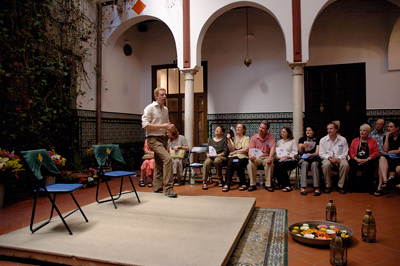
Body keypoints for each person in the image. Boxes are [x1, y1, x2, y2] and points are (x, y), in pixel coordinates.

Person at [142, 88, 177, 198]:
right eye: (162, 95)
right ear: (156, 96)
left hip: (163, 139)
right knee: (167, 159)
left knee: (159, 163)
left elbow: (166, 125)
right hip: (152, 139)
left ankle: (157, 188)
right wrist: (163, 126)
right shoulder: (150, 108)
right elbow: (145, 125)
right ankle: (168, 188)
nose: (164, 96)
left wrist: (170, 128)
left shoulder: (165, 109)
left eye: (165, 94)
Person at [319, 121, 350, 194]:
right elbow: (321, 153)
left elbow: (345, 152)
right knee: (326, 165)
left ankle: (341, 186)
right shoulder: (323, 140)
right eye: (328, 129)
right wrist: (328, 157)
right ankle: (328, 185)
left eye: (331, 129)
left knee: (345, 165)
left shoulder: (342, 139)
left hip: (340, 158)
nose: (329, 130)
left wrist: (338, 159)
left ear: (336, 129)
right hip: (328, 159)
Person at [348, 124, 379, 194]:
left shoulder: (373, 141)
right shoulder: (355, 140)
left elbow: (376, 152)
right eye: (360, 130)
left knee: (370, 166)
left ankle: (370, 188)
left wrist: (367, 160)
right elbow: (351, 152)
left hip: (368, 159)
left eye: (364, 131)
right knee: (352, 165)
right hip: (357, 159)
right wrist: (357, 159)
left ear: (368, 132)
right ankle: (351, 187)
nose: (362, 132)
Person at [247, 121, 276, 192]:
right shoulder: (254, 137)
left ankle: (268, 185)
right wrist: (251, 157)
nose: (260, 129)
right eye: (260, 127)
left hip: (266, 157)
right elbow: (250, 149)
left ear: (267, 130)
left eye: (263, 128)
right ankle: (252, 184)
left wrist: (270, 158)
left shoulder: (270, 137)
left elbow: (272, 148)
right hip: (256, 157)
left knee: (270, 163)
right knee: (250, 163)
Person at [222, 123, 250, 192]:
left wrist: (236, 152)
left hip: (243, 157)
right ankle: (227, 184)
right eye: (237, 127)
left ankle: (243, 183)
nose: (237, 129)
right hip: (233, 157)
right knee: (230, 163)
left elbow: (246, 149)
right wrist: (228, 140)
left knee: (238, 164)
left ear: (243, 130)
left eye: (240, 127)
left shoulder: (246, 138)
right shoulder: (233, 138)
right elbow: (231, 150)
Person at [375, 120, 400, 196]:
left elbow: (399, 151)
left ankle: (380, 187)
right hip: (390, 158)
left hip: (398, 158)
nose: (389, 128)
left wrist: (388, 152)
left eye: (391, 127)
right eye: (388, 127)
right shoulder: (387, 137)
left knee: (398, 168)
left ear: (397, 128)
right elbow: (385, 149)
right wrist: (387, 138)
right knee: (382, 159)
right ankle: (385, 181)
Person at [202, 126, 229, 190]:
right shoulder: (211, 140)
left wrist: (219, 155)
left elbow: (226, 151)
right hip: (211, 157)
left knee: (217, 160)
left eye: (218, 130)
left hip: (221, 157)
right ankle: (204, 181)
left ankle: (220, 178)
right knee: (206, 162)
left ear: (222, 132)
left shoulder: (224, 140)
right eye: (216, 129)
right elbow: (207, 150)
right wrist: (207, 154)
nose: (216, 130)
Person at [298, 125, 321, 196]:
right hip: (304, 158)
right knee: (304, 164)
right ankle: (303, 187)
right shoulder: (302, 139)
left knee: (314, 164)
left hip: (313, 158)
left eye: (309, 130)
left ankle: (317, 187)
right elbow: (300, 152)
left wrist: (311, 154)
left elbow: (317, 152)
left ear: (313, 132)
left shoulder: (317, 140)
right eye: (307, 130)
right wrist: (301, 147)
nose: (307, 132)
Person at [274, 127, 298, 192]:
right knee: (275, 165)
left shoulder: (293, 141)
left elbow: (295, 153)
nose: (283, 133)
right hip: (281, 159)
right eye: (282, 132)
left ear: (288, 133)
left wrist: (286, 157)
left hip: (290, 160)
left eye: (284, 132)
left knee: (282, 165)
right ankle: (280, 183)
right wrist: (276, 156)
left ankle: (287, 185)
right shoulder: (279, 142)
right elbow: (276, 152)